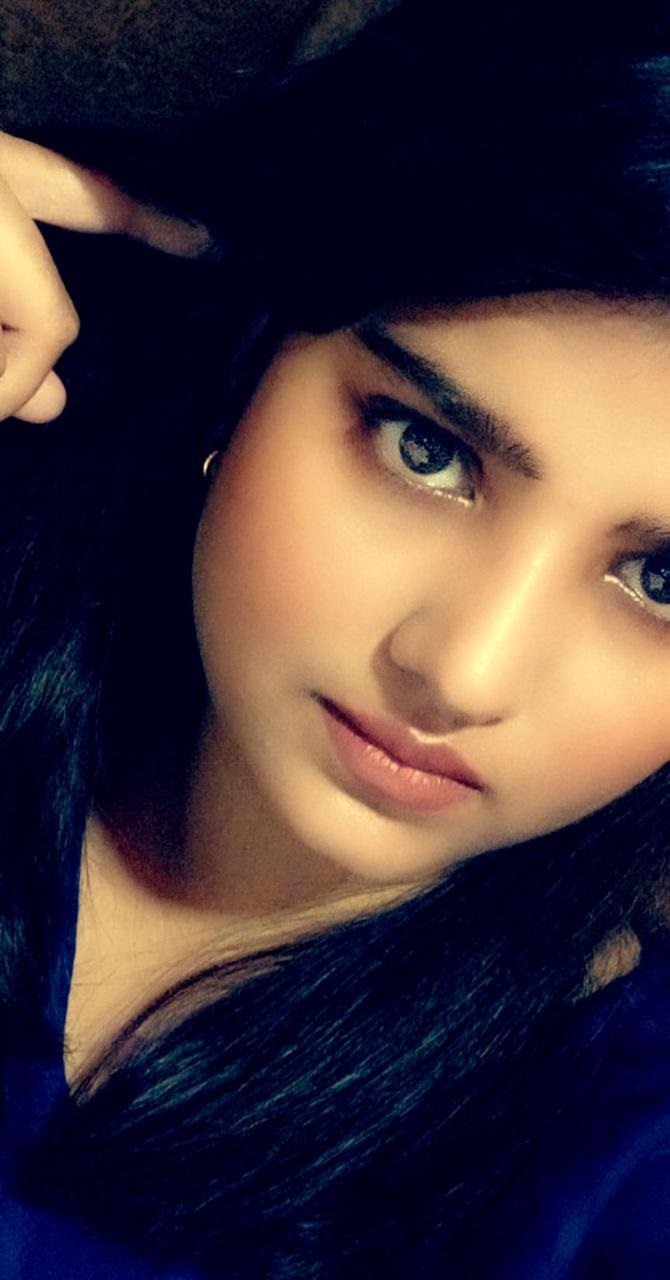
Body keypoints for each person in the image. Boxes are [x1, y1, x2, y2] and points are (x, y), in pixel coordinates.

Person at [1, 2, 670, 1276]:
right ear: (253, 358)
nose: (463, 669)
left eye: (660, 579)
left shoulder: (609, 1161)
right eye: (428, 449)